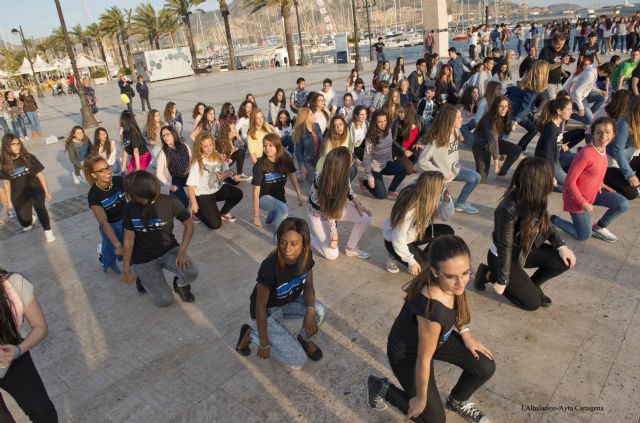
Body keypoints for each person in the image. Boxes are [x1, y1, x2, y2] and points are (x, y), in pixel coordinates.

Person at [367, 235, 494, 423]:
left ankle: (456, 401)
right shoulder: (432, 309)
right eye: (451, 277)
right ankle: (381, 388)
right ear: (435, 270)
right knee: (434, 420)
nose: (461, 282)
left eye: (466, 273)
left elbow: (456, 306)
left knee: (485, 366)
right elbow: (423, 358)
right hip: (408, 354)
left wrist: (466, 334)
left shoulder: (450, 281)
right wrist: (420, 398)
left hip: (436, 341)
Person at [474, 158, 576, 310]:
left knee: (563, 261)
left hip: (525, 250)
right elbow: (505, 247)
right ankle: (488, 274)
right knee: (531, 304)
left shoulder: (536, 197)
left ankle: (532, 286)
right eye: (548, 177)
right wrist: (503, 280)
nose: (553, 181)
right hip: (503, 259)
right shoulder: (507, 209)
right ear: (537, 183)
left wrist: (561, 246)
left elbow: (545, 223)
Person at [235, 217, 327, 369]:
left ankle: (304, 339)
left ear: (304, 244)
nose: (287, 248)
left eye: (293, 244)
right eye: (282, 242)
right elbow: (260, 307)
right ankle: (250, 334)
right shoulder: (269, 268)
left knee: (319, 311)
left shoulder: (306, 256)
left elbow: (309, 286)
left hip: (287, 302)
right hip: (268, 312)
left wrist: (310, 311)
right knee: (298, 362)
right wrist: (264, 344)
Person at [122, 170, 198, 306]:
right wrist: (126, 270)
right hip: (143, 259)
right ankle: (143, 278)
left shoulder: (170, 201)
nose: (127, 194)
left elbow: (189, 225)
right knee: (164, 301)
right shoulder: (129, 208)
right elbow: (128, 240)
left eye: (129, 192)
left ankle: (180, 284)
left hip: (169, 250)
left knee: (192, 272)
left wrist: (182, 251)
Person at [551, 117, 630, 243]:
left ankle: (598, 227)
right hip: (577, 199)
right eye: (599, 132)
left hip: (593, 193)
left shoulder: (602, 149)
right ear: (592, 134)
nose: (604, 136)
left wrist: (600, 183)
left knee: (623, 203)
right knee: (583, 236)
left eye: (608, 132)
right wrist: (583, 203)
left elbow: (596, 171)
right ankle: (551, 219)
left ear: (614, 134)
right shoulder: (586, 154)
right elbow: (570, 182)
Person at [0, 267, 58, 422]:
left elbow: (40, 326)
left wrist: (18, 350)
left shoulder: (14, 284)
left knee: (45, 414)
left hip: (12, 356)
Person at [383, 171, 454, 274]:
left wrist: (447, 199)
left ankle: (420, 256)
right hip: (394, 241)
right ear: (431, 189)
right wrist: (411, 261)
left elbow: (444, 216)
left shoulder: (430, 197)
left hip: (415, 234)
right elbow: (398, 237)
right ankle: (393, 254)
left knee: (447, 232)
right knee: (425, 270)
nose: (443, 189)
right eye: (442, 187)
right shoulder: (410, 208)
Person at [307, 147, 371, 260]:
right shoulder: (324, 182)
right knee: (332, 255)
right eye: (351, 160)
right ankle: (306, 236)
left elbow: (348, 189)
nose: (353, 161)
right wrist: (334, 236)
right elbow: (330, 213)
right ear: (343, 165)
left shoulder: (342, 172)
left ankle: (351, 249)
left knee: (365, 217)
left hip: (334, 209)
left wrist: (358, 204)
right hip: (318, 215)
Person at [416, 105, 481, 214]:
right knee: (437, 210)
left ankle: (461, 203)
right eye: (459, 117)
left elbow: (458, 134)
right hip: (441, 177)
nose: (462, 119)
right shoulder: (436, 140)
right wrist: (441, 173)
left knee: (475, 177)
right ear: (449, 120)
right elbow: (422, 161)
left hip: (454, 171)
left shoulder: (455, 130)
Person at [0, 134, 55, 242]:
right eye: (13, 144)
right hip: (18, 194)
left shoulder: (29, 157)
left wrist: (46, 192)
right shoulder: (3, 163)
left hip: (35, 189)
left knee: (40, 208)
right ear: (7, 146)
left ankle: (48, 232)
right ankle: (30, 219)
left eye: (18, 143)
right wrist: (9, 202)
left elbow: (40, 174)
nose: (17, 146)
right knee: (25, 222)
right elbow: (6, 183)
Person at [252, 133, 304, 243]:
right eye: (265, 145)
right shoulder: (260, 164)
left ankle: (271, 215)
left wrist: (298, 193)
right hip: (263, 197)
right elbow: (256, 192)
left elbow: (292, 175)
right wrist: (256, 215)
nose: (267, 148)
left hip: (279, 196)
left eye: (271, 145)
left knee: (280, 210)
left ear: (277, 146)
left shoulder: (286, 159)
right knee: (283, 209)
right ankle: (278, 238)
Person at [186, 132, 242, 229]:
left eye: (210, 145)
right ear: (200, 147)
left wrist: (225, 175)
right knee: (215, 225)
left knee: (238, 194)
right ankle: (197, 213)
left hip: (218, 189)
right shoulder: (197, 162)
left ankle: (223, 213)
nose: (209, 148)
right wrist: (194, 203)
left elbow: (227, 169)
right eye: (205, 146)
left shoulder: (216, 154)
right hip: (203, 195)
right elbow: (190, 185)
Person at [85, 155, 127, 275]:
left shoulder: (119, 181)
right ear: (94, 175)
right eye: (102, 170)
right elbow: (103, 223)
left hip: (126, 220)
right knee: (111, 251)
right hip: (111, 226)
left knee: (132, 250)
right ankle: (103, 254)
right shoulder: (93, 195)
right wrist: (118, 245)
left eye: (107, 167)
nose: (108, 171)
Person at [472, 96, 522, 182]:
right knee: (481, 179)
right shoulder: (490, 119)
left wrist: (502, 152)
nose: (504, 109)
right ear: (496, 107)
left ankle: (502, 174)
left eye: (506, 106)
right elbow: (493, 141)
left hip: (493, 143)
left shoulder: (505, 116)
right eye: (501, 106)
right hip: (481, 146)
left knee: (516, 149)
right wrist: (496, 163)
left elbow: (499, 137)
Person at [360, 110, 407, 199]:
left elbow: (390, 145)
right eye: (380, 122)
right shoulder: (370, 137)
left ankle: (391, 190)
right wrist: (370, 177)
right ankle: (364, 182)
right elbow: (366, 158)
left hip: (387, 163)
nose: (383, 124)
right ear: (375, 123)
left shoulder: (389, 129)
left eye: (385, 120)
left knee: (403, 170)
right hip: (375, 167)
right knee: (381, 195)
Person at [604, 95, 640, 200]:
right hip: (609, 164)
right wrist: (630, 175)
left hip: (624, 161)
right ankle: (603, 183)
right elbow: (617, 151)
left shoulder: (637, 123)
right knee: (631, 194)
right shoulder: (625, 123)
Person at [534, 97, 573, 192]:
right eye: (568, 109)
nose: (571, 112)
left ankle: (547, 182)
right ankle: (545, 182)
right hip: (546, 164)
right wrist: (551, 175)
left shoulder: (557, 125)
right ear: (559, 111)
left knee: (576, 157)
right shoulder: (551, 129)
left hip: (556, 161)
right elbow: (547, 154)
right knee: (571, 188)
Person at [156, 125, 192, 209]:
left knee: (199, 195)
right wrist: (169, 185)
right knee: (184, 204)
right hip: (175, 179)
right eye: (163, 135)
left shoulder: (184, 146)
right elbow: (159, 173)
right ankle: (169, 195)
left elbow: (191, 161)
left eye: (167, 134)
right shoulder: (163, 153)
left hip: (188, 176)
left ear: (173, 134)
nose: (165, 137)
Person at [293, 107, 323, 185]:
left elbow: (322, 141)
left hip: (319, 159)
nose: (314, 116)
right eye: (311, 115)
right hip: (308, 161)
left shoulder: (316, 126)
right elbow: (298, 152)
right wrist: (302, 166)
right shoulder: (300, 132)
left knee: (323, 182)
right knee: (314, 184)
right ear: (305, 118)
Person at [538, 32, 568, 99]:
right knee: (552, 103)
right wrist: (561, 62)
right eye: (558, 44)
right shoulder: (545, 50)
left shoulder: (561, 50)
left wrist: (562, 71)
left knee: (562, 101)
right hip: (547, 82)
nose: (560, 46)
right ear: (553, 42)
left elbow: (557, 63)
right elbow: (546, 68)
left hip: (558, 81)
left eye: (562, 44)